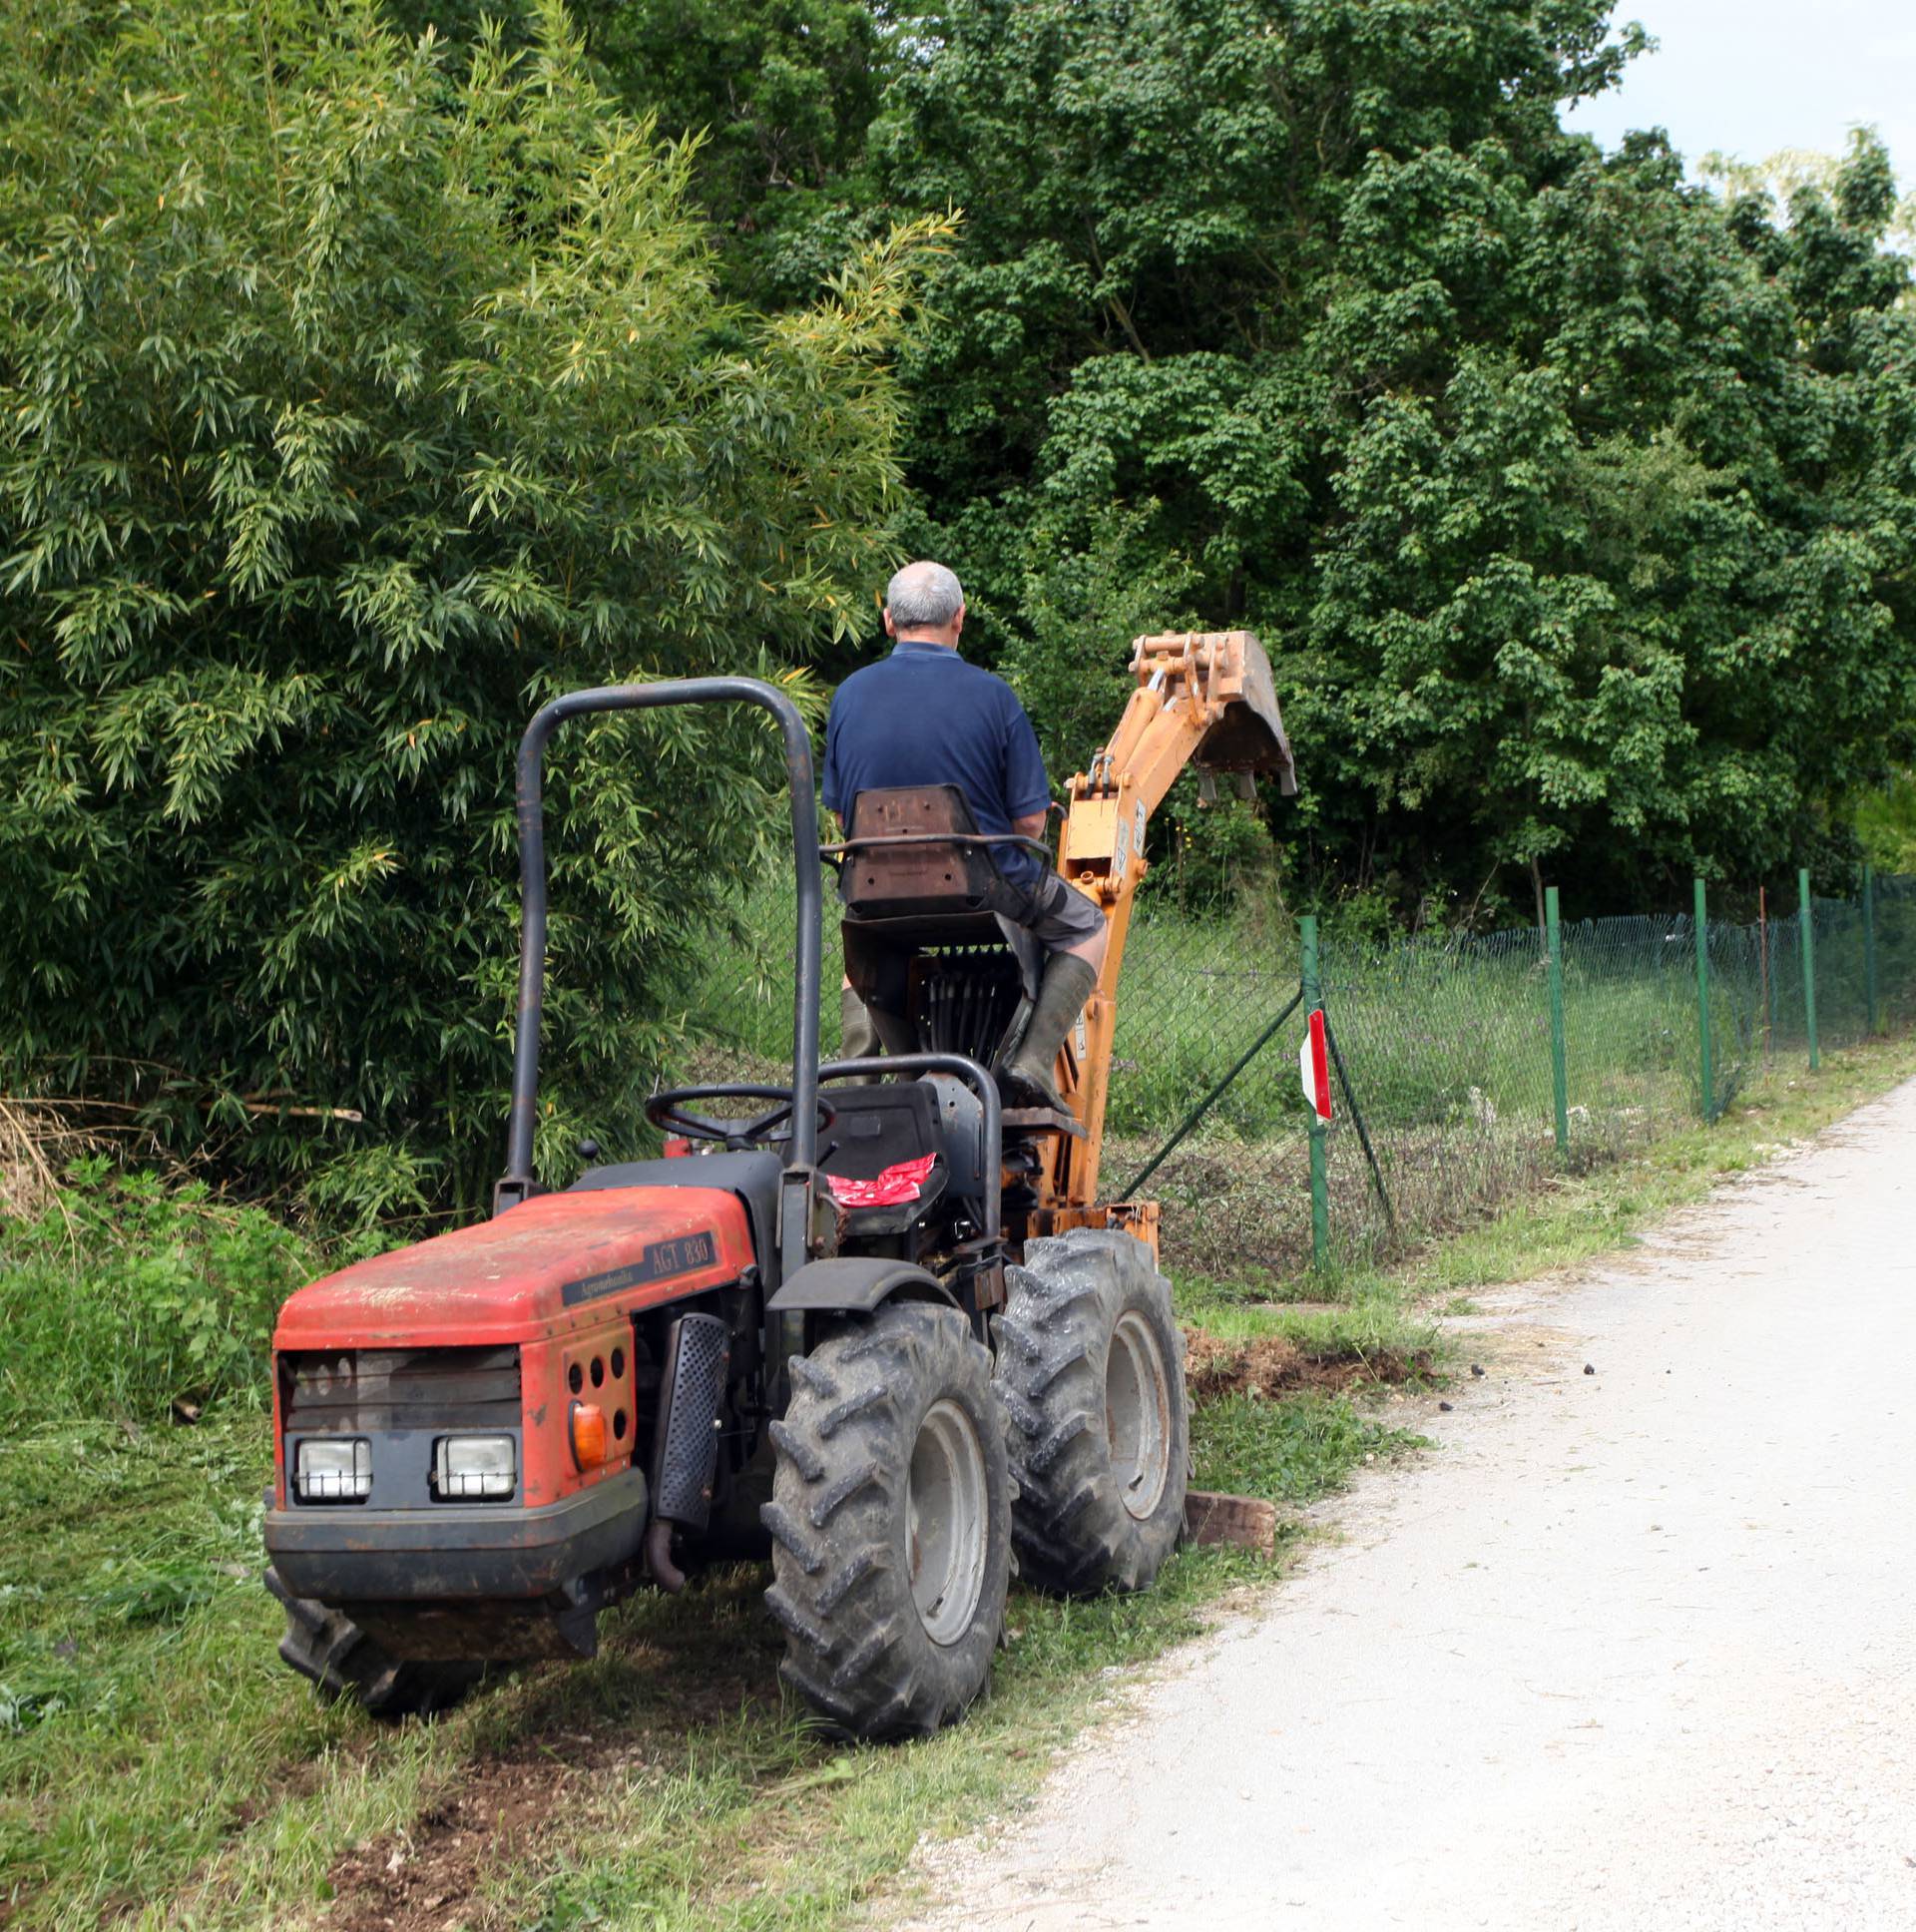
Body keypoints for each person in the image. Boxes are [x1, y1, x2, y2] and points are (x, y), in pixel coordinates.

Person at [820, 561, 1107, 1112]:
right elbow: (1028, 824)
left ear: (887, 622)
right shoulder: (994, 697)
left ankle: (864, 1080)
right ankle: (1031, 1062)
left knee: (865, 946)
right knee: (1086, 925)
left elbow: (841, 821)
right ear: (960, 618)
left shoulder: (849, 696)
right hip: (980, 888)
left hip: (873, 888)